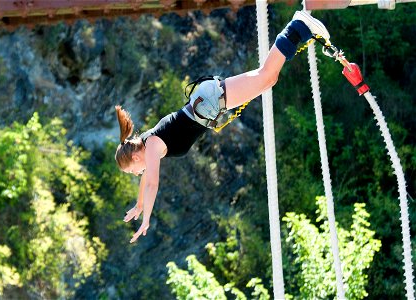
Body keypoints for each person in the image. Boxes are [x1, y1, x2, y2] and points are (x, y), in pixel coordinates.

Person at [116, 10, 330, 243]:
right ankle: (300, 31)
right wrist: (138, 205)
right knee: (269, 79)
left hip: (208, 102)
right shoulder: (147, 146)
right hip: (207, 103)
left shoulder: (154, 145)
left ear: (135, 158)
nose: (137, 174)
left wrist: (146, 218)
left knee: (265, 76)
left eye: (132, 171)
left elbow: (153, 183)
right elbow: (147, 180)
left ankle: (297, 26)